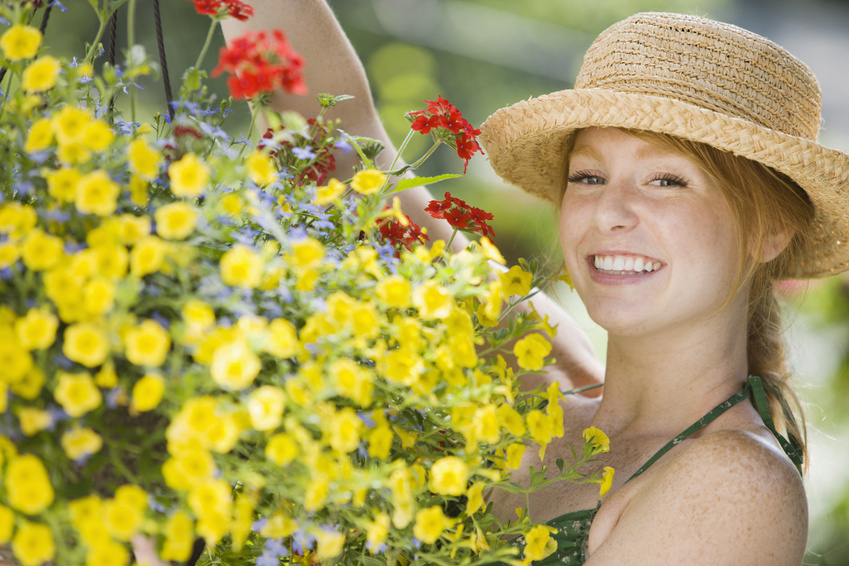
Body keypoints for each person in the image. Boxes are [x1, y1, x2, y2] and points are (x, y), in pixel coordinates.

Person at [133, 4, 849, 566]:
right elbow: (347, 149)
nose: (610, 212)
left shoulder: (731, 487)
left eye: (667, 180)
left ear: (768, 232)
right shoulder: (537, 376)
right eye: (588, 176)